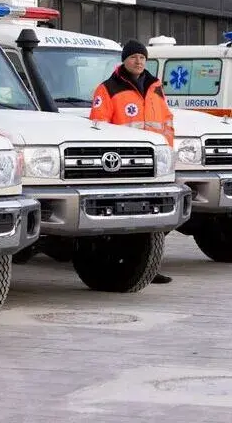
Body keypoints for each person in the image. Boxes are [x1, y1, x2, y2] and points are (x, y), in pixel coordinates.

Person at [89, 39, 175, 283]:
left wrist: (167, 152)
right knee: (128, 217)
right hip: (124, 167)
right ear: (124, 60)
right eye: (133, 57)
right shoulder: (108, 89)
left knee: (155, 216)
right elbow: (99, 128)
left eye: (142, 57)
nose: (138, 61)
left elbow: (167, 121)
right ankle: (132, 264)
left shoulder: (155, 87)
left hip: (156, 165)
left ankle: (148, 265)